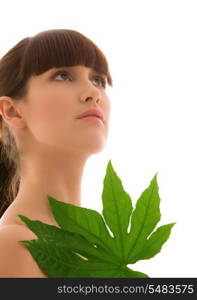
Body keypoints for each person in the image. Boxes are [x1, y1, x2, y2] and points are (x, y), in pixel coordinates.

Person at [0, 29, 113, 277]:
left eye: (98, 80)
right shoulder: (13, 247)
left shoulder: (97, 252)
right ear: (12, 110)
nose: (93, 93)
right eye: (63, 76)